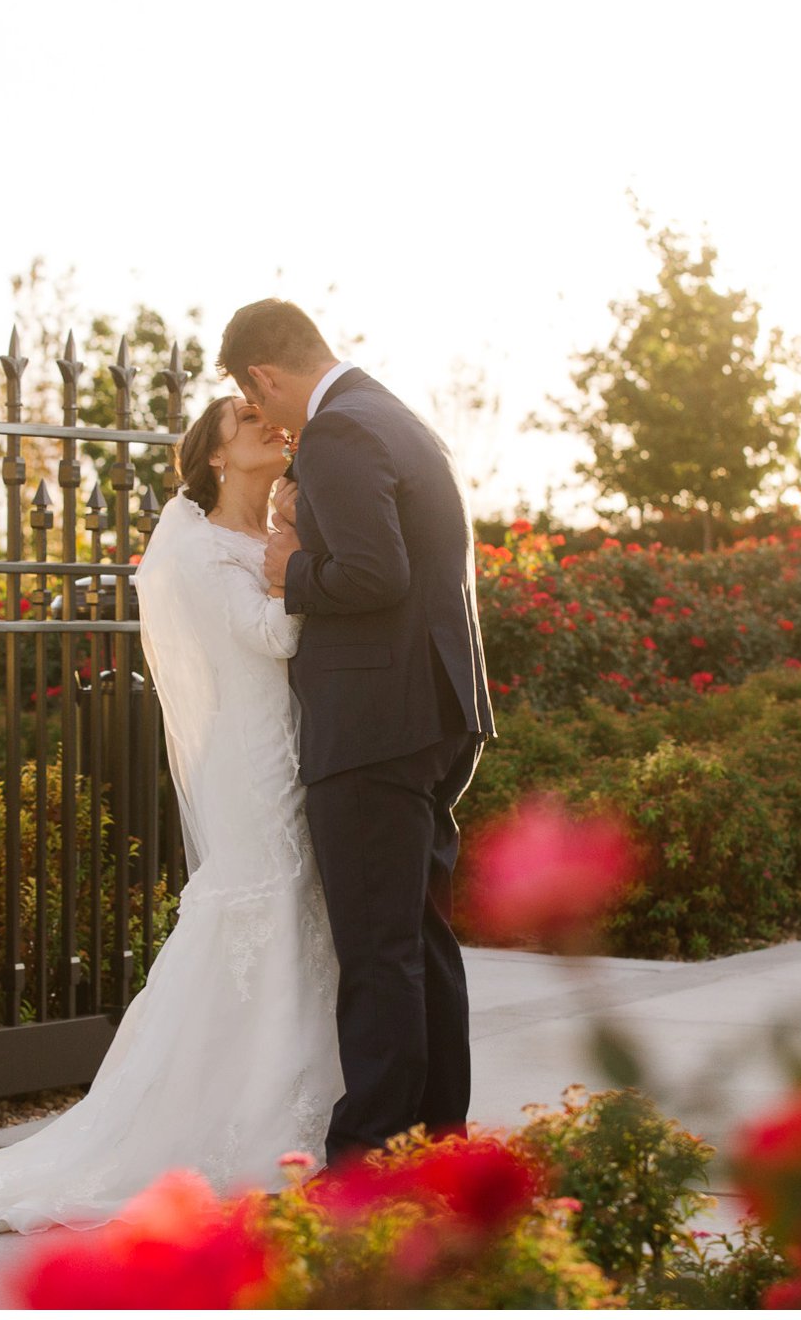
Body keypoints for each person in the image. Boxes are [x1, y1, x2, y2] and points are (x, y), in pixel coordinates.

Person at [0, 393, 342, 1243]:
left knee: (299, 920)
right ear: (217, 456)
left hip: (288, 746)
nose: (268, 427)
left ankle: (296, 1108)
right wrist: (297, 561)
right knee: (260, 911)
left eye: (268, 418)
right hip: (248, 761)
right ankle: (232, 1127)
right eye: (247, 423)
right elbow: (274, 637)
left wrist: (290, 548)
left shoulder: (263, 534)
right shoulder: (196, 549)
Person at [222, 298, 496, 1164]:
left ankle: (370, 1157)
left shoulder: (340, 430)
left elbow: (375, 572)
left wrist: (291, 570)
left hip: (376, 724)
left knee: (377, 953)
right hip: (431, 711)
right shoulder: (392, 414)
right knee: (417, 937)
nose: (268, 422)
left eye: (257, 403)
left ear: (265, 376)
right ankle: (438, 1140)